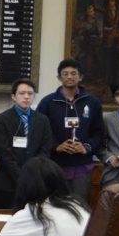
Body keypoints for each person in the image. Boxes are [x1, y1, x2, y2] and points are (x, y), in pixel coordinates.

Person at [36, 59, 104, 203]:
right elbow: (39, 132)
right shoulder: (48, 102)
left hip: (82, 166)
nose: (69, 77)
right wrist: (56, 146)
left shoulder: (92, 102)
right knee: (55, 207)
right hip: (55, 165)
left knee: (80, 207)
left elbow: (99, 133)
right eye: (65, 74)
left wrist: (86, 147)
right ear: (59, 78)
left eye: (73, 73)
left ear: (80, 77)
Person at [0, 79, 53, 209]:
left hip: (35, 181)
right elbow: (4, 152)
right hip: (7, 182)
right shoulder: (1, 119)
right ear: (13, 96)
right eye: (22, 93)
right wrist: (22, 177)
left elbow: (46, 149)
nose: (26, 97)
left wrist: (32, 173)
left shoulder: (43, 120)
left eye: (30, 93)